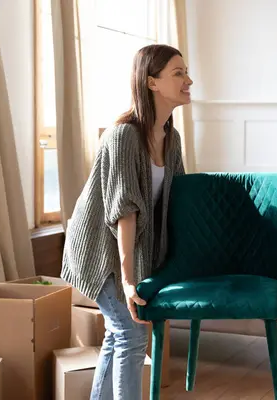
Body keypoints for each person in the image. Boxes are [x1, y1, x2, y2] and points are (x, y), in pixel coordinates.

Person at [61, 44, 191, 399]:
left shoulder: (171, 139)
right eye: (178, 73)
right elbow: (124, 212)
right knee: (132, 333)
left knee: (119, 334)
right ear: (151, 82)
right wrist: (131, 281)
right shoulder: (123, 137)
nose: (188, 80)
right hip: (98, 251)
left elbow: (178, 201)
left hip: (128, 250)